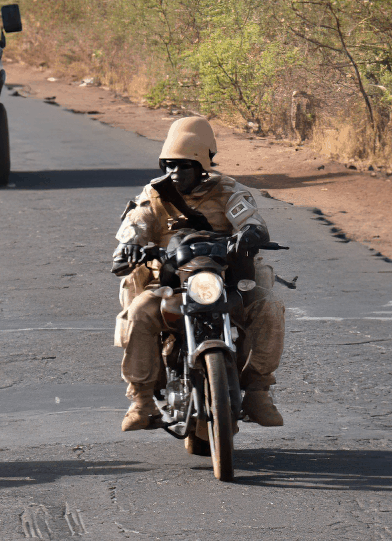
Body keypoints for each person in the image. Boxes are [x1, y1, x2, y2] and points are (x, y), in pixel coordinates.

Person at [111, 116, 285, 431]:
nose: (175, 173)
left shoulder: (228, 190)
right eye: (169, 166)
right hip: (170, 280)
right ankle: (141, 400)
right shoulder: (155, 194)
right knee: (137, 313)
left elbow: (249, 217)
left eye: (184, 166)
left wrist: (251, 232)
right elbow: (137, 221)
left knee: (268, 306)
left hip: (225, 277)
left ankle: (259, 392)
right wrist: (128, 247)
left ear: (203, 164)